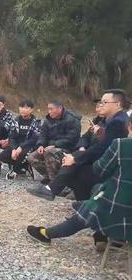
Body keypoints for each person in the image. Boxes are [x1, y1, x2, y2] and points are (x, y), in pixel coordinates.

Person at [26, 115, 132, 246]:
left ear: (129, 126)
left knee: (95, 199)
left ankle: (46, 234)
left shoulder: (122, 145)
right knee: (98, 189)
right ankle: (102, 234)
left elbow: (100, 169)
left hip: (119, 210)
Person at [28, 90, 129, 201]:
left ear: (118, 104)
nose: (101, 105)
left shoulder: (118, 122)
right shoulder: (108, 119)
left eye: (105, 102)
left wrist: (76, 158)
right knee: (72, 162)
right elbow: (85, 137)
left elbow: (103, 148)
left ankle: (55, 190)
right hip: (98, 157)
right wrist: (80, 151)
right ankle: (68, 195)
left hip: (109, 164)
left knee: (74, 166)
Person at [26, 100, 81, 183]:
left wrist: (55, 144)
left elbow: (71, 139)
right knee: (31, 157)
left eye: (51, 109)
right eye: (48, 109)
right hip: (50, 146)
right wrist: (40, 144)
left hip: (67, 148)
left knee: (49, 152)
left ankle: (55, 183)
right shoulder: (48, 120)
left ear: (59, 109)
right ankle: (49, 176)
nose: (49, 112)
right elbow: (43, 134)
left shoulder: (72, 120)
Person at [0, 99, 41, 178]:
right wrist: (14, 148)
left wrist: (21, 147)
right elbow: (12, 136)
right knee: (2, 156)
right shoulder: (16, 121)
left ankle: (16, 169)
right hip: (17, 145)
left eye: (26, 108)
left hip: (29, 146)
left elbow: (34, 138)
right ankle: (21, 166)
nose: (23, 109)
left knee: (21, 154)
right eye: (21, 107)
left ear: (31, 109)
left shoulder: (36, 122)